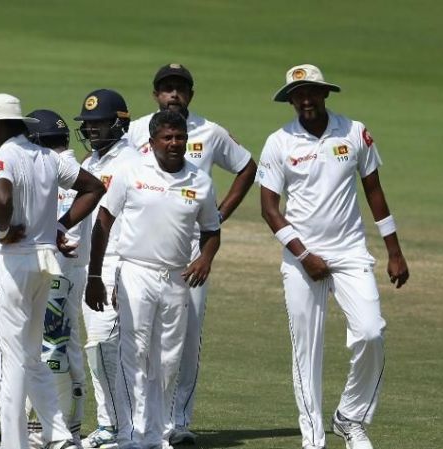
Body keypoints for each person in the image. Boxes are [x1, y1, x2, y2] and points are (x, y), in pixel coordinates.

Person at [258, 64, 410, 449]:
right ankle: (313, 441)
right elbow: (269, 209)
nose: (305, 100)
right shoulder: (279, 141)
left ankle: (350, 418)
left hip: (350, 251)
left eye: (312, 92)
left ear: (324, 94)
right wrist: (304, 254)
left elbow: (374, 190)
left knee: (372, 332)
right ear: (290, 100)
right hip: (300, 258)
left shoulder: (354, 131)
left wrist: (394, 250)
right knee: (306, 351)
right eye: (298, 95)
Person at [0, 93, 106, 449]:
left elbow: (3, 198)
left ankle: (15, 444)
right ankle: (59, 436)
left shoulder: (2, 158)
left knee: (9, 360)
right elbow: (94, 187)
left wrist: (0, 233)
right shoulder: (48, 157)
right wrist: (58, 228)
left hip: (12, 266)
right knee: (31, 355)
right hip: (46, 264)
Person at [125, 63, 257, 445]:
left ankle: (177, 420)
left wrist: (219, 215)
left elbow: (248, 166)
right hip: (142, 252)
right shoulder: (137, 131)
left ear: (190, 94)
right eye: (166, 88)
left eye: (180, 88)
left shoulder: (210, 132)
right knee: (140, 338)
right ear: (155, 94)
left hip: (192, 251)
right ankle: (138, 420)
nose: (174, 95)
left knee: (185, 337)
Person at [86, 110, 221, 449]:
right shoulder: (131, 172)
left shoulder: (200, 182)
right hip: (135, 272)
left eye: (180, 138)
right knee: (134, 352)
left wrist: (205, 257)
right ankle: (130, 434)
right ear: (153, 141)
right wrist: (94, 275)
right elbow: (103, 221)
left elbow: (211, 231)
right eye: (168, 138)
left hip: (177, 277)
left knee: (168, 358)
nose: (175, 144)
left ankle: (158, 434)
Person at [72, 89, 141, 449]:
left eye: (99, 123)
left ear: (120, 122)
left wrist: (113, 275)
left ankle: (117, 428)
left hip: (116, 265)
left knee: (107, 347)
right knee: (100, 349)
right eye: (88, 124)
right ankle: (114, 425)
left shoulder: (131, 163)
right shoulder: (91, 163)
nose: (93, 129)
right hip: (92, 263)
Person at [24, 109, 88, 448]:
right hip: (68, 272)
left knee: (50, 348)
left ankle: (46, 432)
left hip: (58, 271)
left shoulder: (56, 172)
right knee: (64, 347)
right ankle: (70, 431)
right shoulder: (72, 169)